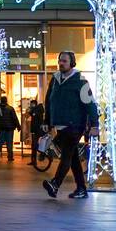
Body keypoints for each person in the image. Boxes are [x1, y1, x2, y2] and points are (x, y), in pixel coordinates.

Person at [42, 51, 99, 200]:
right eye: (60, 61)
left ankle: (55, 184)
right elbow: (49, 101)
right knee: (72, 157)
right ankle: (81, 188)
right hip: (59, 125)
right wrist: (47, 121)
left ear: (72, 63)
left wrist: (94, 125)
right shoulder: (54, 79)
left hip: (75, 125)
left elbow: (90, 104)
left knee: (66, 154)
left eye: (65, 61)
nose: (61, 63)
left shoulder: (80, 81)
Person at [0, 95, 21, 162]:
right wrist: (18, 126)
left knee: (0, 141)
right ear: (6, 101)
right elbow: (14, 118)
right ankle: (10, 157)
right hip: (9, 128)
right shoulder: (10, 108)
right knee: (9, 142)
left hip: (0, 128)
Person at [27, 99, 46, 167]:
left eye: (31, 104)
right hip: (35, 131)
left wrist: (31, 111)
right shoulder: (36, 110)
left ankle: (41, 155)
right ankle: (33, 160)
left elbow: (34, 117)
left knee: (35, 146)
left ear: (34, 104)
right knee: (34, 146)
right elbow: (31, 114)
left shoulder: (37, 110)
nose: (30, 105)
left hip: (36, 131)